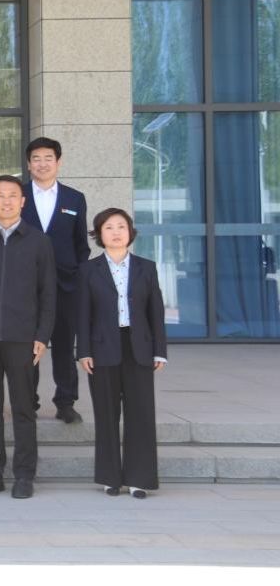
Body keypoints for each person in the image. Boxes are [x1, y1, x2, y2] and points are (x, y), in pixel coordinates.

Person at [0, 176, 56, 499]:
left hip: (23, 338)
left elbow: (48, 293)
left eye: (12, 196)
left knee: (23, 408)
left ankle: (24, 475)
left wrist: (42, 335)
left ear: (22, 202)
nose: (6, 201)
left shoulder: (38, 241)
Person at [77, 208, 168, 499]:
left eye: (121, 226)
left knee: (140, 413)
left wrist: (160, 351)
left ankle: (139, 478)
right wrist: (84, 351)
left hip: (138, 347)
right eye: (109, 227)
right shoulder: (88, 269)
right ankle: (110, 477)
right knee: (106, 414)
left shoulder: (146, 267)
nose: (116, 232)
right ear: (99, 235)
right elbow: (83, 314)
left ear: (130, 232)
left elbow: (156, 312)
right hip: (102, 348)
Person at [22, 137, 91, 423]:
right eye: (36, 158)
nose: (42, 164)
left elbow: (81, 246)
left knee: (64, 346)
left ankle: (66, 402)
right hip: (25, 286)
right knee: (28, 347)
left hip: (65, 286)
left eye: (48, 158)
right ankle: (28, 401)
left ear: (58, 162)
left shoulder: (74, 199)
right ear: (28, 164)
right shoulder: (17, 196)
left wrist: (78, 279)